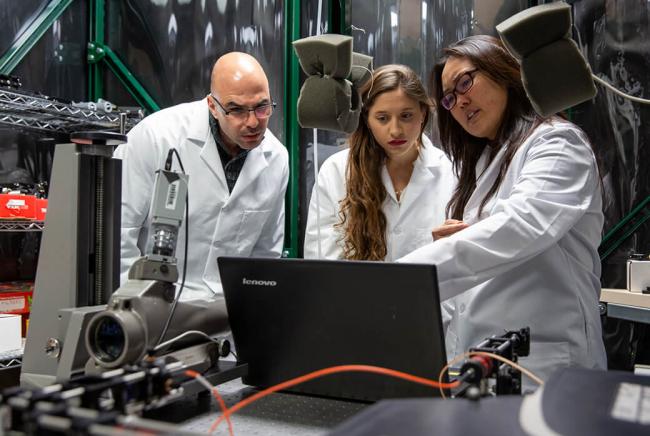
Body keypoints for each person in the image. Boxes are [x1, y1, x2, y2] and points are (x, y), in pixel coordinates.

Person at [399, 35, 606, 383]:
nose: (460, 101)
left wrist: (405, 278)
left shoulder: (557, 142)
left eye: (465, 82)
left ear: (501, 68)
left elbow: (519, 226)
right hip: (481, 364)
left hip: (546, 365)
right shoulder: (479, 165)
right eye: (450, 98)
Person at [115, 52, 289, 300]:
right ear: (212, 106)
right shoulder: (155, 138)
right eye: (236, 110)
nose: (253, 122)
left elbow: (265, 254)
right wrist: (133, 308)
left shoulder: (276, 158)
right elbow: (118, 233)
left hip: (227, 314)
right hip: (156, 307)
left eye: (262, 107)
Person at [303, 64, 456, 261]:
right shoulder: (337, 171)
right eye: (383, 118)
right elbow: (321, 261)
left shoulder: (450, 173)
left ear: (423, 114)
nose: (396, 130)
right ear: (367, 119)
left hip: (426, 291)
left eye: (406, 116)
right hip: (354, 291)